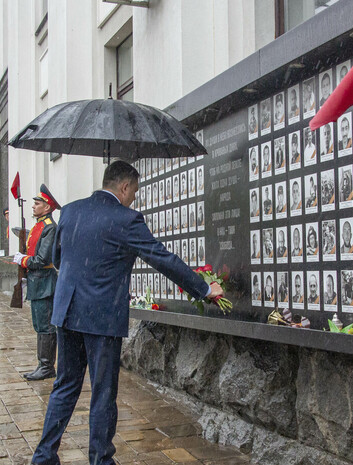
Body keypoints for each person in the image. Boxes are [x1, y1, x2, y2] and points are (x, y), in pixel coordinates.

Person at [32, 161, 222, 465]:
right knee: (103, 392)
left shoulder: (69, 211)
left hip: (66, 313)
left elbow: (57, 256)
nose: (134, 197)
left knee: (65, 386)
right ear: (124, 186)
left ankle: (43, 458)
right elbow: (161, 258)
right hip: (102, 318)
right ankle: (101, 460)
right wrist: (203, 288)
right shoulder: (125, 219)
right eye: (134, 190)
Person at [12, 184, 61, 382]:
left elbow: (41, 259)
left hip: (45, 283)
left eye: (37, 203)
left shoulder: (49, 227)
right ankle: (42, 364)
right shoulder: (39, 225)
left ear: (47, 207)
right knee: (39, 325)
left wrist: (22, 260)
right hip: (37, 282)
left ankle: (47, 366)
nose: (33, 206)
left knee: (46, 327)